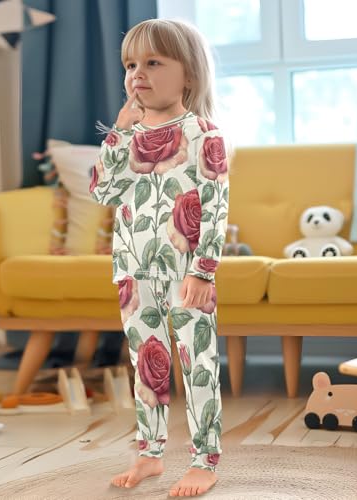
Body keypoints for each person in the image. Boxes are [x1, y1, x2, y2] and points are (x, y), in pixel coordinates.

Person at [89, 18, 229, 497]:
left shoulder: (203, 133)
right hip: (132, 267)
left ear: (187, 74)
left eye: (152, 62)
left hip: (187, 270)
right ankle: (149, 454)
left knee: (198, 363)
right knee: (146, 363)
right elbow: (103, 193)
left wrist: (204, 270)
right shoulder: (127, 137)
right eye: (130, 65)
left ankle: (205, 460)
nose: (138, 74)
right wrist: (118, 132)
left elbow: (215, 207)